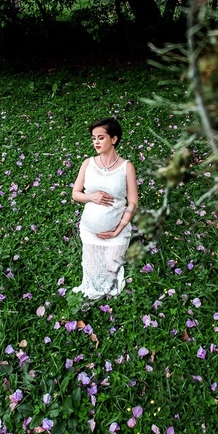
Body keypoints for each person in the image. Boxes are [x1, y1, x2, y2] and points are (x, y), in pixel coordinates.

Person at [70, 117, 138, 301]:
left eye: (101, 137)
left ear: (113, 139)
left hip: (117, 232)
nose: (96, 142)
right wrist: (91, 196)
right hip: (90, 231)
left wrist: (119, 228)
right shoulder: (88, 163)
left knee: (109, 272)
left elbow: (132, 202)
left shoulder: (126, 167)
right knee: (92, 274)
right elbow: (75, 194)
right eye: (93, 138)